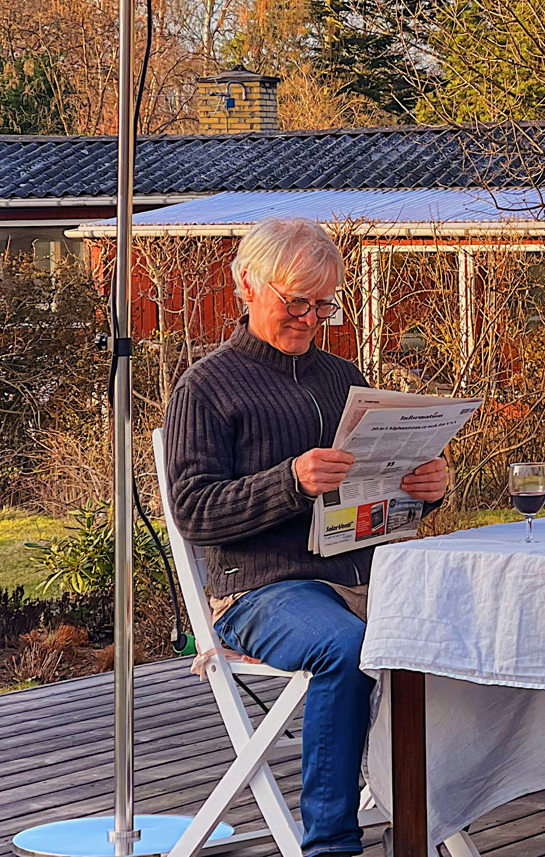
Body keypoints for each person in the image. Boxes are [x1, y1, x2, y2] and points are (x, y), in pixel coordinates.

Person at [164, 217, 448, 857]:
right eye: (296, 301)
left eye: (323, 305)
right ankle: (331, 845)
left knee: (467, 629)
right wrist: (290, 481)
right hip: (260, 591)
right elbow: (194, 511)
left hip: (360, 575)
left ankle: (435, 813)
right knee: (345, 647)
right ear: (246, 283)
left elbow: (373, 497)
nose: (309, 319)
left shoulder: (342, 376)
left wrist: (423, 488)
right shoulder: (205, 387)